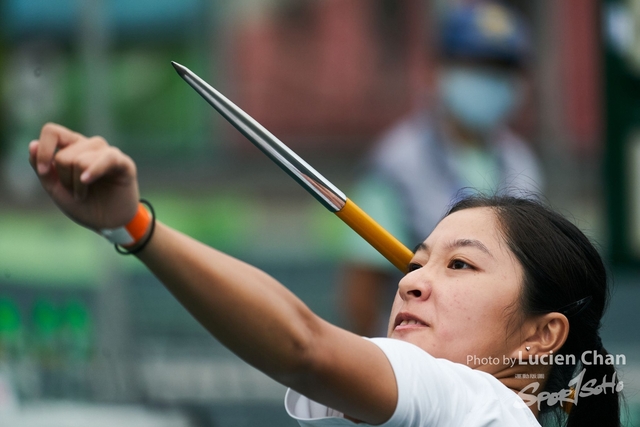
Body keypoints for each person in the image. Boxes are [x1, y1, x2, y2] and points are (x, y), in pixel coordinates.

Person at [29, 122, 621, 426]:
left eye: (460, 264)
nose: (412, 282)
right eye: (415, 263)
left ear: (542, 336)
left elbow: (304, 347)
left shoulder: (482, 405)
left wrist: (134, 226)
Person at [342, 1, 543, 337]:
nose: (489, 79)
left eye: (501, 68)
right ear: (439, 69)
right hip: (417, 359)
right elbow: (362, 297)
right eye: (476, 65)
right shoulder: (396, 163)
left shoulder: (522, 160)